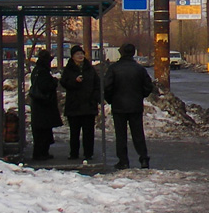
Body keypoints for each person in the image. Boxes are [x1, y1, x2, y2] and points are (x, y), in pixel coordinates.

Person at [103, 42, 154, 170]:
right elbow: (148, 86)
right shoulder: (139, 69)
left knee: (121, 135)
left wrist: (110, 99)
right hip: (135, 105)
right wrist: (140, 95)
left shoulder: (114, 68)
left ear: (121, 52)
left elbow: (107, 87)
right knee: (138, 133)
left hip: (118, 105)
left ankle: (123, 161)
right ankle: (143, 158)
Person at [60, 44, 101, 162]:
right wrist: (75, 81)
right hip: (74, 104)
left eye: (82, 54)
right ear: (72, 56)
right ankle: (74, 153)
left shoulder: (90, 68)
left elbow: (97, 84)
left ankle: (88, 153)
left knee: (88, 132)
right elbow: (64, 83)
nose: (80, 56)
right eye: (77, 54)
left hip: (88, 105)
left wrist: (95, 97)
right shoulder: (69, 69)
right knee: (74, 131)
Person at [29, 49, 62, 160]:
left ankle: (41, 153)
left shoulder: (37, 70)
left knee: (41, 131)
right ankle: (41, 153)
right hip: (43, 105)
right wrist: (54, 82)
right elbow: (45, 86)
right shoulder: (43, 71)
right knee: (43, 131)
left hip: (38, 105)